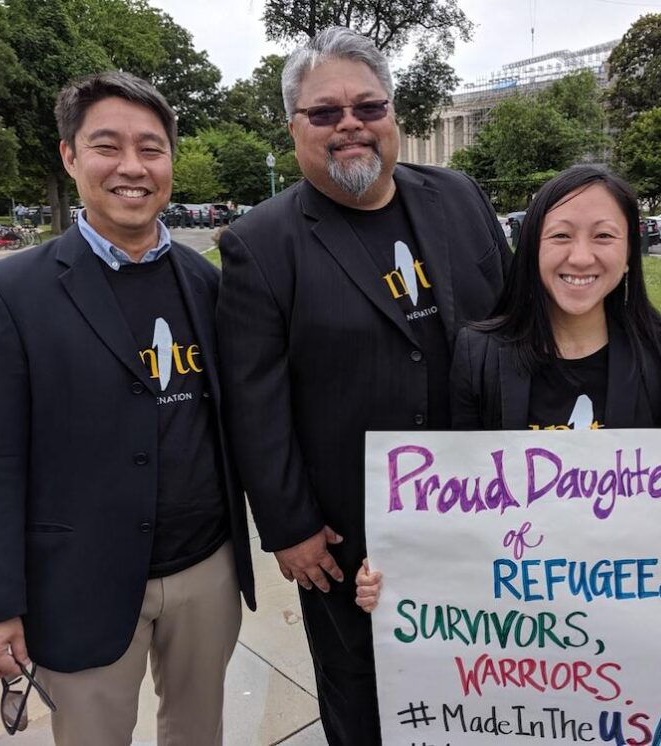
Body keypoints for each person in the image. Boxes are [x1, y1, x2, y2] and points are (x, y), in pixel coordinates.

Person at [215, 26, 511, 745]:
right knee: (363, 700)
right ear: (296, 129)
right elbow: (255, 399)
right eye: (325, 113)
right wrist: (290, 528)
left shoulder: (459, 196)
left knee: (487, 682)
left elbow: (515, 328)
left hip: (487, 514)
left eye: (368, 106)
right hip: (348, 536)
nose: (350, 124)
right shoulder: (260, 242)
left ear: (393, 117)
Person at [0, 70, 255, 745]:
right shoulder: (10, 295)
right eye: (107, 145)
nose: (132, 167)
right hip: (81, 581)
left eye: (152, 148)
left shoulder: (207, 284)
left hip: (206, 570)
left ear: (171, 161)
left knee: (198, 733)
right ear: (69, 155)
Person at [356, 166, 661, 648]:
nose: (581, 256)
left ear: (629, 252)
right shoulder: (477, 353)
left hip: (621, 627)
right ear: (532, 245)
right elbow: (447, 501)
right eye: (560, 236)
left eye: (603, 236)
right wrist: (400, 571)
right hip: (511, 630)